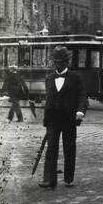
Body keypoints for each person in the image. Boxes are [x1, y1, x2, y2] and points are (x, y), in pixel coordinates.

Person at [39, 47, 87, 189]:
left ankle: (68, 178)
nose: (57, 65)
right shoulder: (49, 78)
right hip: (53, 119)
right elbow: (49, 98)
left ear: (67, 62)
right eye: (55, 62)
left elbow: (82, 97)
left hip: (69, 119)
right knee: (51, 148)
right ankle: (49, 179)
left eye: (60, 62)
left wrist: (80, 112)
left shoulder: (76, 78)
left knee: (69, 148)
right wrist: (46, 118)